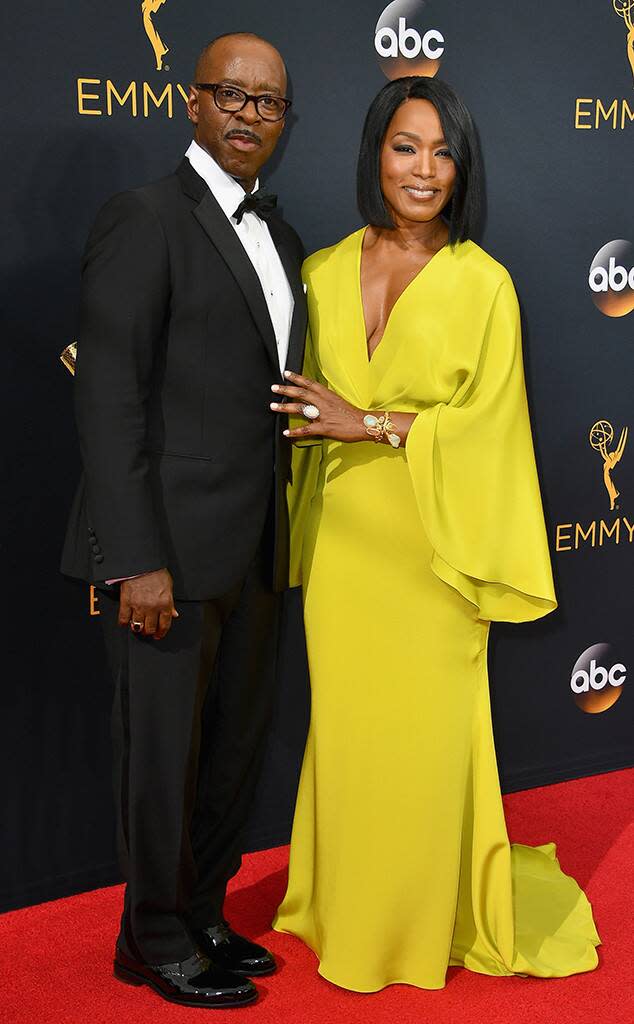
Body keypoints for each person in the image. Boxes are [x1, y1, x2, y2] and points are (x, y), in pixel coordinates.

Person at [270, 76, 600, 991]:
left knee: (425, 741)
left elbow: (492, 430)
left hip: (436, 547)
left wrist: (368, 422)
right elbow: (296, 404)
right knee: (349, 733)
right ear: (375, 152)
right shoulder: (323, 270)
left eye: (442, 152)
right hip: (344, 541)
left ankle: (419, 924)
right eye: (406, 147)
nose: (424, 169)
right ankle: (344, 903)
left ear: (463, 168)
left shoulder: (483, 284)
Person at [61, 32, 306, 1009]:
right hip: (164, 549)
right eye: (231, 96)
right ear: (191, 104)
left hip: (251, 548)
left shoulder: (280, 235)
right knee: (159, 760)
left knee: (230, 751)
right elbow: (108, 395)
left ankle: (202, 912)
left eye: (269, 103)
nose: (250, 115)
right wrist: (135, 558)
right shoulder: (143, 217)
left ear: (286, 121)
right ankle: (151, 938)